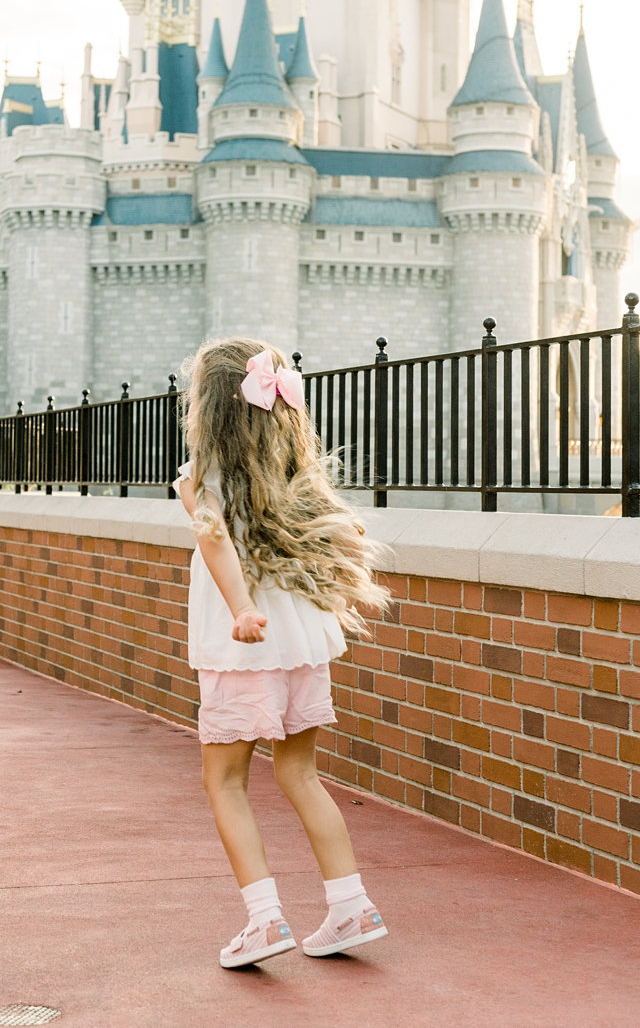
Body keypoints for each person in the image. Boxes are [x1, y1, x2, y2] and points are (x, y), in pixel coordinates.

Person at [177, 338, 392, 970]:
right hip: (301, 646)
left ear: (207, 407)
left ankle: (264, 920)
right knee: (300, 774)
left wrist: (242, 607)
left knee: (226, 780)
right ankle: (351, 905)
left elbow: (215, 543)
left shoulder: (201, 479)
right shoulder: (297, 472)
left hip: (244, 648)